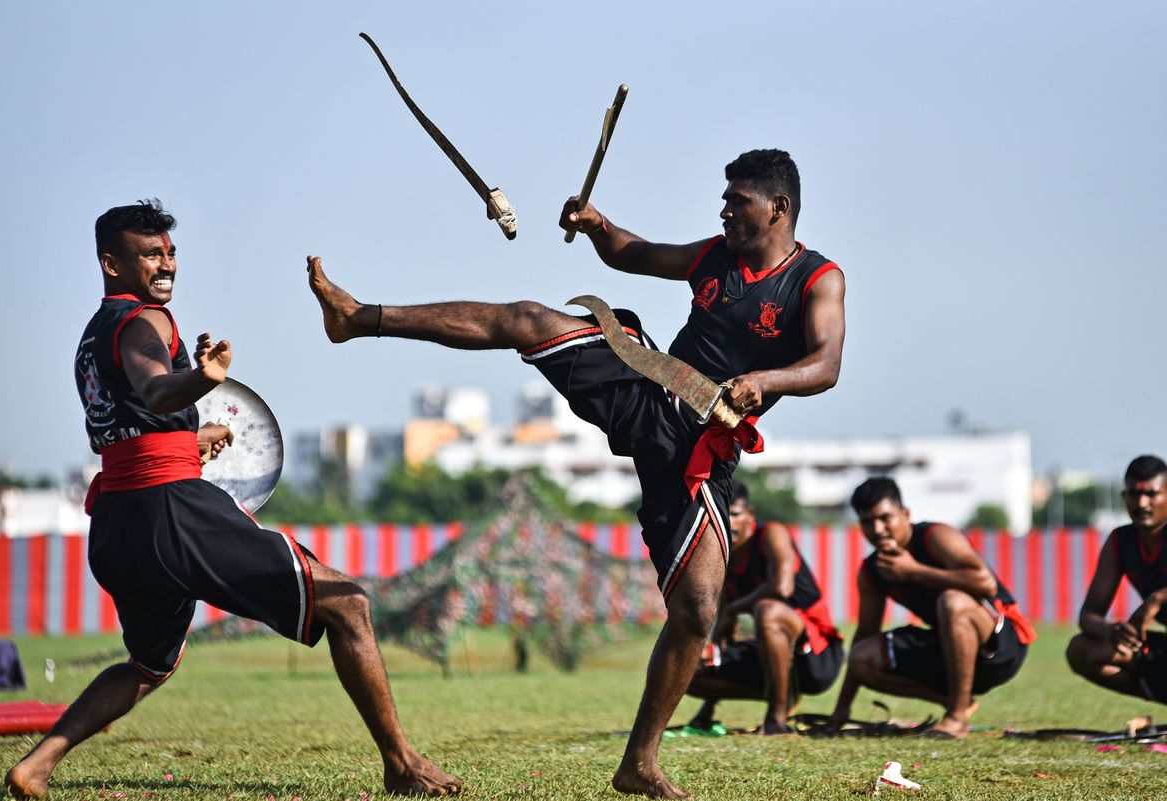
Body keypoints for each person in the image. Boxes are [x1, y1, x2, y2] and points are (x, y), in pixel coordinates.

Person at [307, 149, 846, 798]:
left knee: (699, 606)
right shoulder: (713, 255)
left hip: (701, 446)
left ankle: (639, 763)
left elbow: (825, 364)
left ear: (778, 209)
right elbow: (636, 254)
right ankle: (358, 317)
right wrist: (597, 226)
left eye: (739, 202)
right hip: (649, 386)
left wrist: (766, 379)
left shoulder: (817, 279)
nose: (725, 210)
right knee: (527, 319)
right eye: (725, 200)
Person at [5, 201, 460, 800]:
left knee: (148, 664)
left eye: (169, 251)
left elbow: (129, 425)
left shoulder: (92, 337)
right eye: (150, 253)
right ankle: (402, 764)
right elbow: (154, 386)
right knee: (348, 605)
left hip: (117, 522)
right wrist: (202, 380)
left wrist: (194, 438)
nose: (165, 263)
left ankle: (35, 766)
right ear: (111, 263)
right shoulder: (146, 320)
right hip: (171, 511)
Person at [826, 477, 1035, 739]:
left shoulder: (936, 536)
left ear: (905, 514)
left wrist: (914, 571)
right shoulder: (872, 572)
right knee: (862, 657)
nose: (878, 529)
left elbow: (985, 582)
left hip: (1001, 644)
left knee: (952, 602)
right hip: (950, 648)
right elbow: (865, 635)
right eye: (867, 522)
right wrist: (842, 708)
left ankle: (956, 720)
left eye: (885, 518)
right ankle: (958, 702)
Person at [683, 479, 843, 735]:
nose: (727, 523)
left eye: (734, 515)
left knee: (768, 611)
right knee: (687, 667)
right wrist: (707, 710)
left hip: (817, 656)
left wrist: (735, 609)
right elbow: (723, 629)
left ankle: (776, 719)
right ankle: (782, 694)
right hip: (769, 655)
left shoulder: (771, 533)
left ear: (750, 515)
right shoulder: (722, 557)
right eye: (720, 516)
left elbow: (782, 587)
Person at [1067, 455, 1167, 704]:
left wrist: (1158, 598)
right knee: (1082, 649)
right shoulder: (1120, 541)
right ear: (1124, 497)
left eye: (1152, 494)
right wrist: (1112, 630)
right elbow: (1089, 613)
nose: (1142, 503)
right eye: (1134, 494)